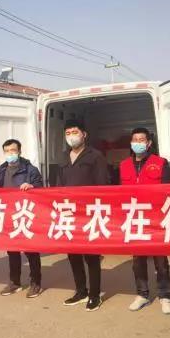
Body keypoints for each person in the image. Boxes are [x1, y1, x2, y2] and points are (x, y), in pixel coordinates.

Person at [119, 127, 170, 314]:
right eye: (135, 140)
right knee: (138, 260)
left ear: (149, 143)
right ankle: (142, 294)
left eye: (141, 140)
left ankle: (165, 295)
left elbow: (168, 191)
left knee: (160, 260)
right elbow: (119, 193)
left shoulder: (160, 162)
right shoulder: (124, 165)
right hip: (135, 218)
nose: (138, 143)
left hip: (156, 218)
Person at [57, 119, 109, 312]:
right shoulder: (63, 157)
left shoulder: (95, 156)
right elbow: (58, 185)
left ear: (84, 134)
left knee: (92, 257)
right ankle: (81, 291)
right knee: (73, 255)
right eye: (68, 133)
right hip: (69, 213)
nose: (71, 136)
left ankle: (95, 295)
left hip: (89, 213)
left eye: (75, 132)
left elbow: (103, 185)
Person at [0, 139, 44, 298]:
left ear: (20, 151)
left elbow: (41, 188)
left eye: (13, 150)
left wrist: (32, 186)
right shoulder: (1, 171)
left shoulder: (30, 169)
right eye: (7, 151)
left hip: (26, 214)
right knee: (12, 251)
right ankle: (15, 282)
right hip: (9, 215)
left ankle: (35, 283)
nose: (10, 153)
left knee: (31, 251)